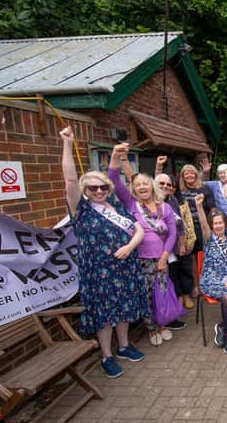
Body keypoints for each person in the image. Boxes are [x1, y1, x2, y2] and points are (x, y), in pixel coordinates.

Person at [60, 126, 148, 379]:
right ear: (85, 190)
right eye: (93, 188)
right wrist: (68, 144)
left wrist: (129, 247)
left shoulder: (117, 205)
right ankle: (106, 356)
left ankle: (124, 346)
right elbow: (69, 180)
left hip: (124, 267)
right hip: (99, 272)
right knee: (105, 316)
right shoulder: (82, 209)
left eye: (102, 188)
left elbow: (138, 230)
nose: (98, 191)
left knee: (124, 309)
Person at [109, 144, 177, 347]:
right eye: (137, 184)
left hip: (162, 259)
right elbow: (112, 179)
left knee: (161, 294)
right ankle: (150, 329)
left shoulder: (164, 206)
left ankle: (162, 325)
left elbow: (172, 233)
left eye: (145, 183)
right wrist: (117, 158)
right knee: (146, 296)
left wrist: (164, 257)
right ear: (133, 189)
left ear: (151, 185)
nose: (141, 187)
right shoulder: (131, 204)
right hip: (141, 260)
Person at [195, 195, 227, 354]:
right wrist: (199, 206)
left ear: (225, 223)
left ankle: (223, 325)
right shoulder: (209, 238)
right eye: (215, 223)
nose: (218, 225)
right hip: (211, 279)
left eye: (220, 222)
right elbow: (203, 224)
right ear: (212, 225)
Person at [155, 171, 192, 325]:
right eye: (162, 184)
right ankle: (166, 314)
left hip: (172, 248)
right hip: (156, 251)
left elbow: (180, 225)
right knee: (167, 279)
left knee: (178, 273)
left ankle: (179, 302)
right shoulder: (150, 201)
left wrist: (182, 243)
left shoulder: (173, 200)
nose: (166, 187)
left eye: (169, 184)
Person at [179, 163, 216, 299]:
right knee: (192, 260)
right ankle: (196, 286)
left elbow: (213, 210)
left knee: (208, 258)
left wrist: (213, 228)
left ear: (196, 174)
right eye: (185, 173)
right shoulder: (180, 191)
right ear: (182, 176)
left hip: (204, 228)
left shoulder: (204, 189)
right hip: (188, 231)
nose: (189, 175)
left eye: (191, 172)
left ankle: (210, 285)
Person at [205, 163, 227, 237]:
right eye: (220, 173)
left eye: (224, 172)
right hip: (223, 224)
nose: (222, 175)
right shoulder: (215, 185)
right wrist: (204, 172)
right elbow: (199, 183)